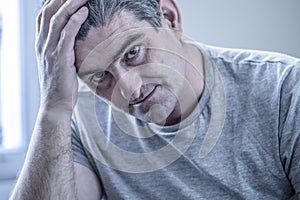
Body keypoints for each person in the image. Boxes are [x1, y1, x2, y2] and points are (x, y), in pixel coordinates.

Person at [10, 0, 300, 199]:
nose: (130, 91)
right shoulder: (79, 118)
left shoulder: (284, 89)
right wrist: (53, 107)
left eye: (133, 52)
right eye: (100, 76)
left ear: (170, 18)